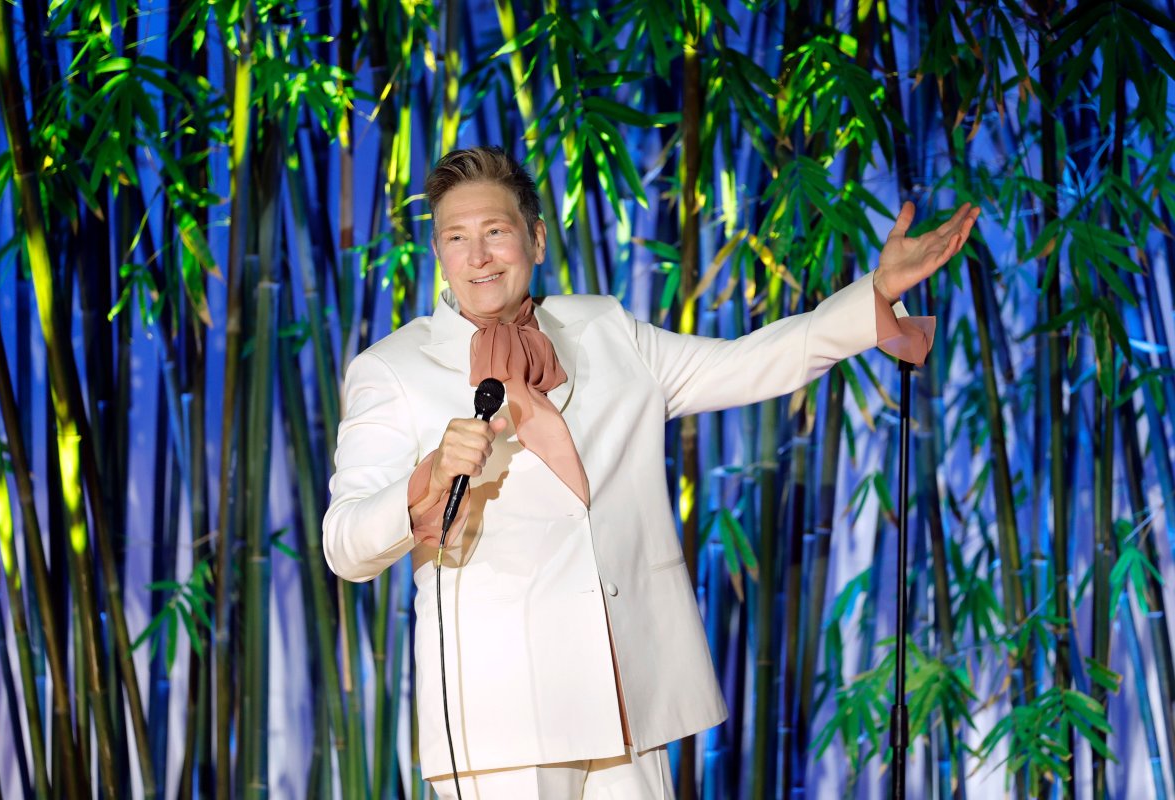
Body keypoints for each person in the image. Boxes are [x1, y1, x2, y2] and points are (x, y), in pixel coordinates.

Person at [322, 145, 979, 799]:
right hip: (498, 716)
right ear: (438, 252)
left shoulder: (604, 330)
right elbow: (345, 543)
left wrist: (877, 292)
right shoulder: (394, 369)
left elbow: (753, 361)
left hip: (626, 694)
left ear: (536, 238)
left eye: (496, 232)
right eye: (456, 238)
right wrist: (428, 478)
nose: (478, 256)